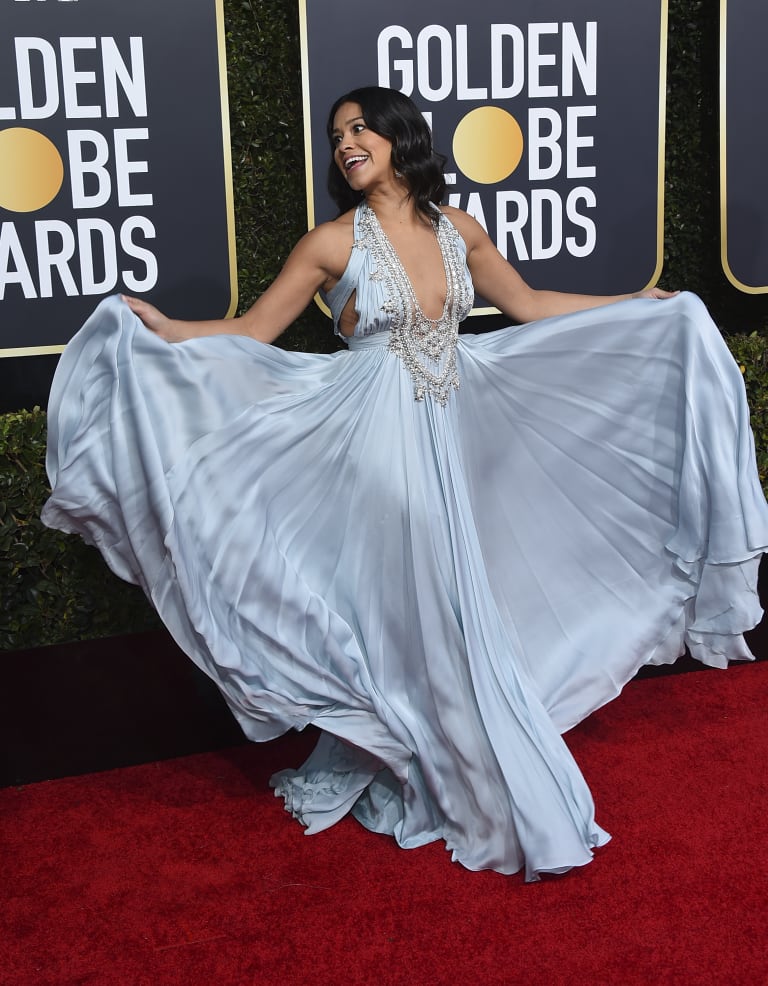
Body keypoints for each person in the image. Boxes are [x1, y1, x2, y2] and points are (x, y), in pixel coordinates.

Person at [42, 86, 768, 881]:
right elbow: (253, 333)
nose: (346, 144)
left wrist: (633, 303)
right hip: (372, 433)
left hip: (457, 423)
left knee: (455, 601)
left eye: (360, 130)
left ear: (399, 139)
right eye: (336, 136)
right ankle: (436, 754)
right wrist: (169, 331)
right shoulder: (328, 243)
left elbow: (527, 304)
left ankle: (450, 747)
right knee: (422, 598)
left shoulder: (457, 230)